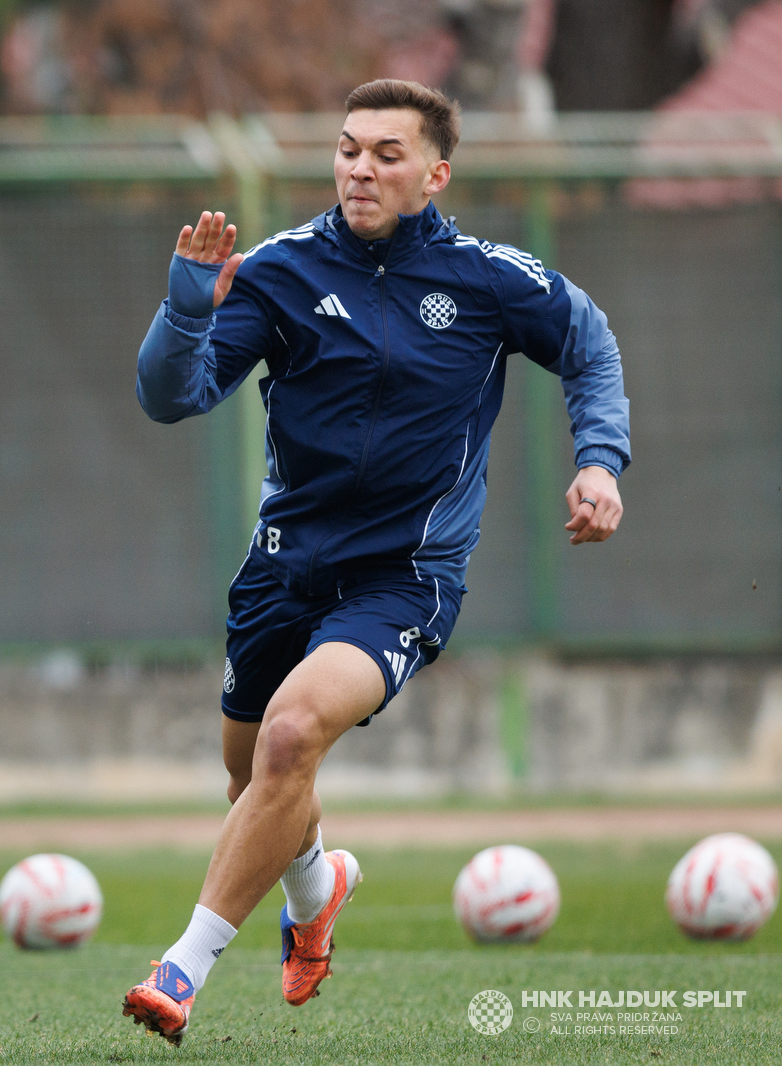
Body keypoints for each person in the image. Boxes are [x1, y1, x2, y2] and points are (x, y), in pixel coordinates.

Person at [120, 78, 629, 1044]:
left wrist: (600, 461)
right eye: (349, 149)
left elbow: (590, 346)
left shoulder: (488, 279)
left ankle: (180, 971)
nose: (360, 168)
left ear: (435, 175)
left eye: (387, 154)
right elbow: (170, 398)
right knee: (254, 780)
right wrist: (184, 310)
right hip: (281, 570)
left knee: (289, 739)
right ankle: (318, 891)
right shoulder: (280, 270)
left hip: (404, 578)